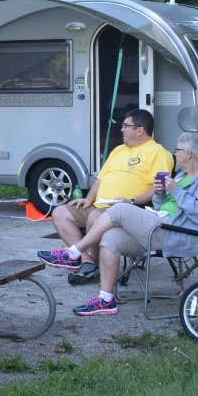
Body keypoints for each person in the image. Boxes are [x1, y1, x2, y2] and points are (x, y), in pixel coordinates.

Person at [70, 131, 198, 316]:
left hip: (180, 234)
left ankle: (75, 251)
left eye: (178, 149)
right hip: (161, 227)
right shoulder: (181, 176)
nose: (175, 153)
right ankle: (105, 299)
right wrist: (160, 194)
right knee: (110, 237)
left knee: (121, 209)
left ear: (189, 154)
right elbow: (164, 205)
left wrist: (176, 191)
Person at [38, 109, 175, 281]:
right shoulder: (118, 150)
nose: (122, 129)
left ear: (140, 130)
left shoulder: (158, 153)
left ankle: (84, 262)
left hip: (130, 210)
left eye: (126, 126)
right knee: (60, 212)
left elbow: (159, 188)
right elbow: (101, 179)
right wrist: (88, 199)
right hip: (99, 205)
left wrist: (131, 201)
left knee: (95, 216)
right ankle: (87, 262)